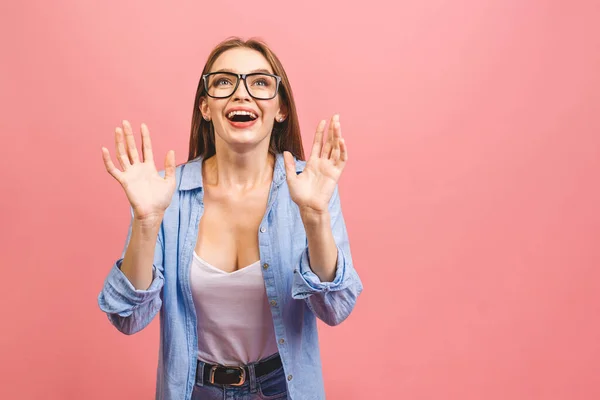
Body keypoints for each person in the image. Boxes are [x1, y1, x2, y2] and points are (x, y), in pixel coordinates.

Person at [98, 37, 363, 400]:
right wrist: (146, 221)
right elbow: (127, 317)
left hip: (283, 389)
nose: (242, 94)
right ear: (205, 107)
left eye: (259, 82)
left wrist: (315, 216)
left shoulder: (310, 188)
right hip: (193, 390)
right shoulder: (166, 195)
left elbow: (335, 308)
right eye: (224, 81)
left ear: (280, 108)